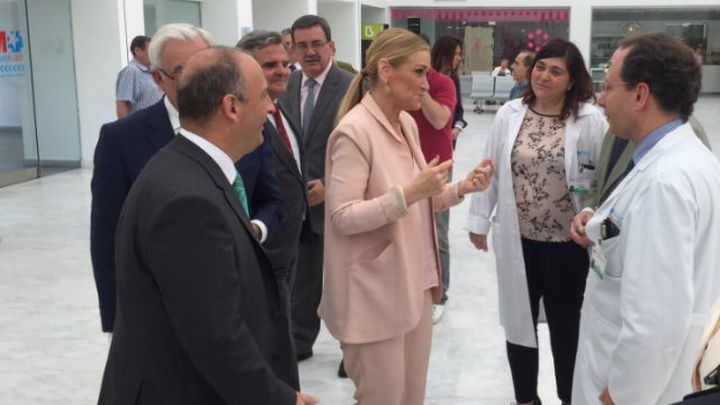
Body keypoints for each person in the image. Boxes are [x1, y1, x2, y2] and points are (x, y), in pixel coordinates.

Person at [98, 46, 318, 405]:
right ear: (231, 107)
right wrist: (279, 398)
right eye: (263, 96)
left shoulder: (188, 168)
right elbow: (214, 333)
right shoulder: (188, 203)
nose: (270, 108)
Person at [319, 28, 494, 405]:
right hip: (374, 294)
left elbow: (418, 203)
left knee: (411, 396)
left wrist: (462, 188)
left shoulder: (407, 123)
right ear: (386, 71)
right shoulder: (354, 132)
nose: (426, 84)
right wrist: (412, 191)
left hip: (414, 283)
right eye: (418, 72)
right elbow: (343, 217)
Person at [91, 23, 282, 333]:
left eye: (207, 66)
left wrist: (254, 229)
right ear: (158, 78)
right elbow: (106, 235)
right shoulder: (122, 139)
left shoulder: (248, 126)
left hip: (240, 296)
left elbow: (271, 199)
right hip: (161, 311)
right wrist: (116, 321)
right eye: (183, 70)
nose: (200, 79)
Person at [568, 32, 720, 405]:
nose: (601, 98)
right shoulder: (682, 159)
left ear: (640, 95)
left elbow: (656, 321)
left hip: (632, 388)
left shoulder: (663, 183)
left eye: (609, 87)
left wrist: (621, 395)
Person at [466, 39, 608, 405]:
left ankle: (569, 398)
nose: (544, 76)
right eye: (540, 67)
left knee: (566, 328)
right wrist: (479, 221)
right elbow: (490, 169)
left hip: (567, 246)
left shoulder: (590, 120)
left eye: (555, 71)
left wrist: (593, 217)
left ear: (572, 80)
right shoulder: (510, 113)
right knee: (518, 324)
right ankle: (526, 398)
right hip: (519, 241)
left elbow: (602, 182)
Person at [278, 14, 353, 361]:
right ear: (293, 49)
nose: (310, 52)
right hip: (298, 203)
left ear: (331, 46)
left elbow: (361, 148)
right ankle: (299, 340)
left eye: (317, 44)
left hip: (340, 202)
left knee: (345, 280)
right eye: (302, 45)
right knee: (302, 279)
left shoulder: (352, 86)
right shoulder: (287, 85)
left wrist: (331, 184)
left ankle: (352, 349)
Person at [237, 30, 308, 309]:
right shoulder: (242, 123)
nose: (282, 71)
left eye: (285, 64)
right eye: (270, 65)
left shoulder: (281, 108)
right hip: (263, 252)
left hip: (290, 244)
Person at [410, 34, 457, 324]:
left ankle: (440, 294)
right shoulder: (399, 83)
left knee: (437, 232)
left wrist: (421, 85)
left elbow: (440, 119)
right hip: (407, 163)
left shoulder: (443, 83)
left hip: (437, 165)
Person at [431, 35, 467, 147]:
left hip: (448, 140)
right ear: (444, 54)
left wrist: (457, 127)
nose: (459, 58)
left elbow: (459, 110)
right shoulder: (427, 78)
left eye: (460, 54)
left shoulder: (454, 79)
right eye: (456, 54)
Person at [115, 35, 163, 118]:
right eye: (151, 50)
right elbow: (122, 104)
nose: (154, 54)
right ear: (137, 51)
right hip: (142, 125)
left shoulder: (151, 72)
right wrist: (125, 126)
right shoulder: (130, 72)